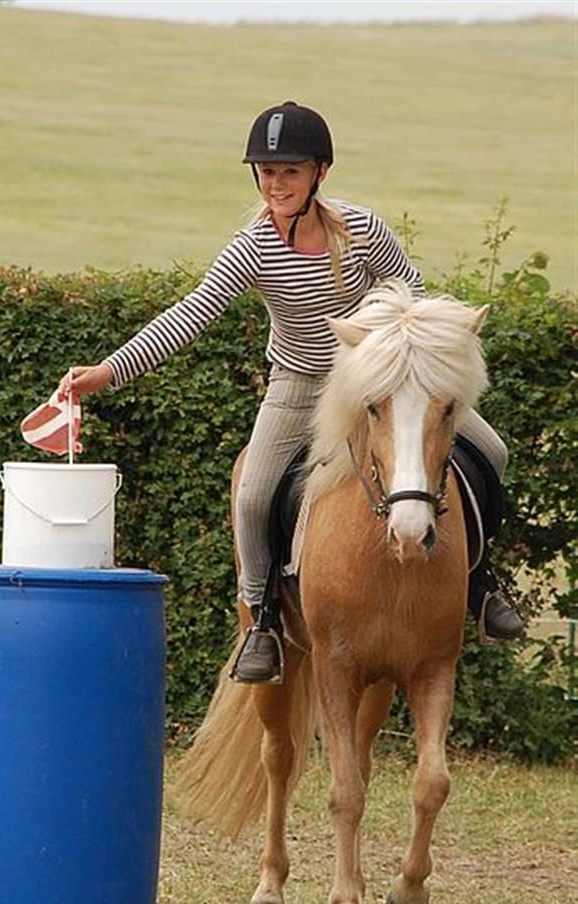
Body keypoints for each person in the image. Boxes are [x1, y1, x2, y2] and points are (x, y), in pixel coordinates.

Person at [58, 100, 523, 683]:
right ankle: (265, 620)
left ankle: (481, 583)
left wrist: (387, 348)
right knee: (254, 496)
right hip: (300, 384)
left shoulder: (361, 229)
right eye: (267, 172)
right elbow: (192, 314)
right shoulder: (252, 246)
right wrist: (109, 370)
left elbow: (414, 298)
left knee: (494, 452)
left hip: (375, 381)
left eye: (290, 171)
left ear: (319, 174)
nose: (276, 184)